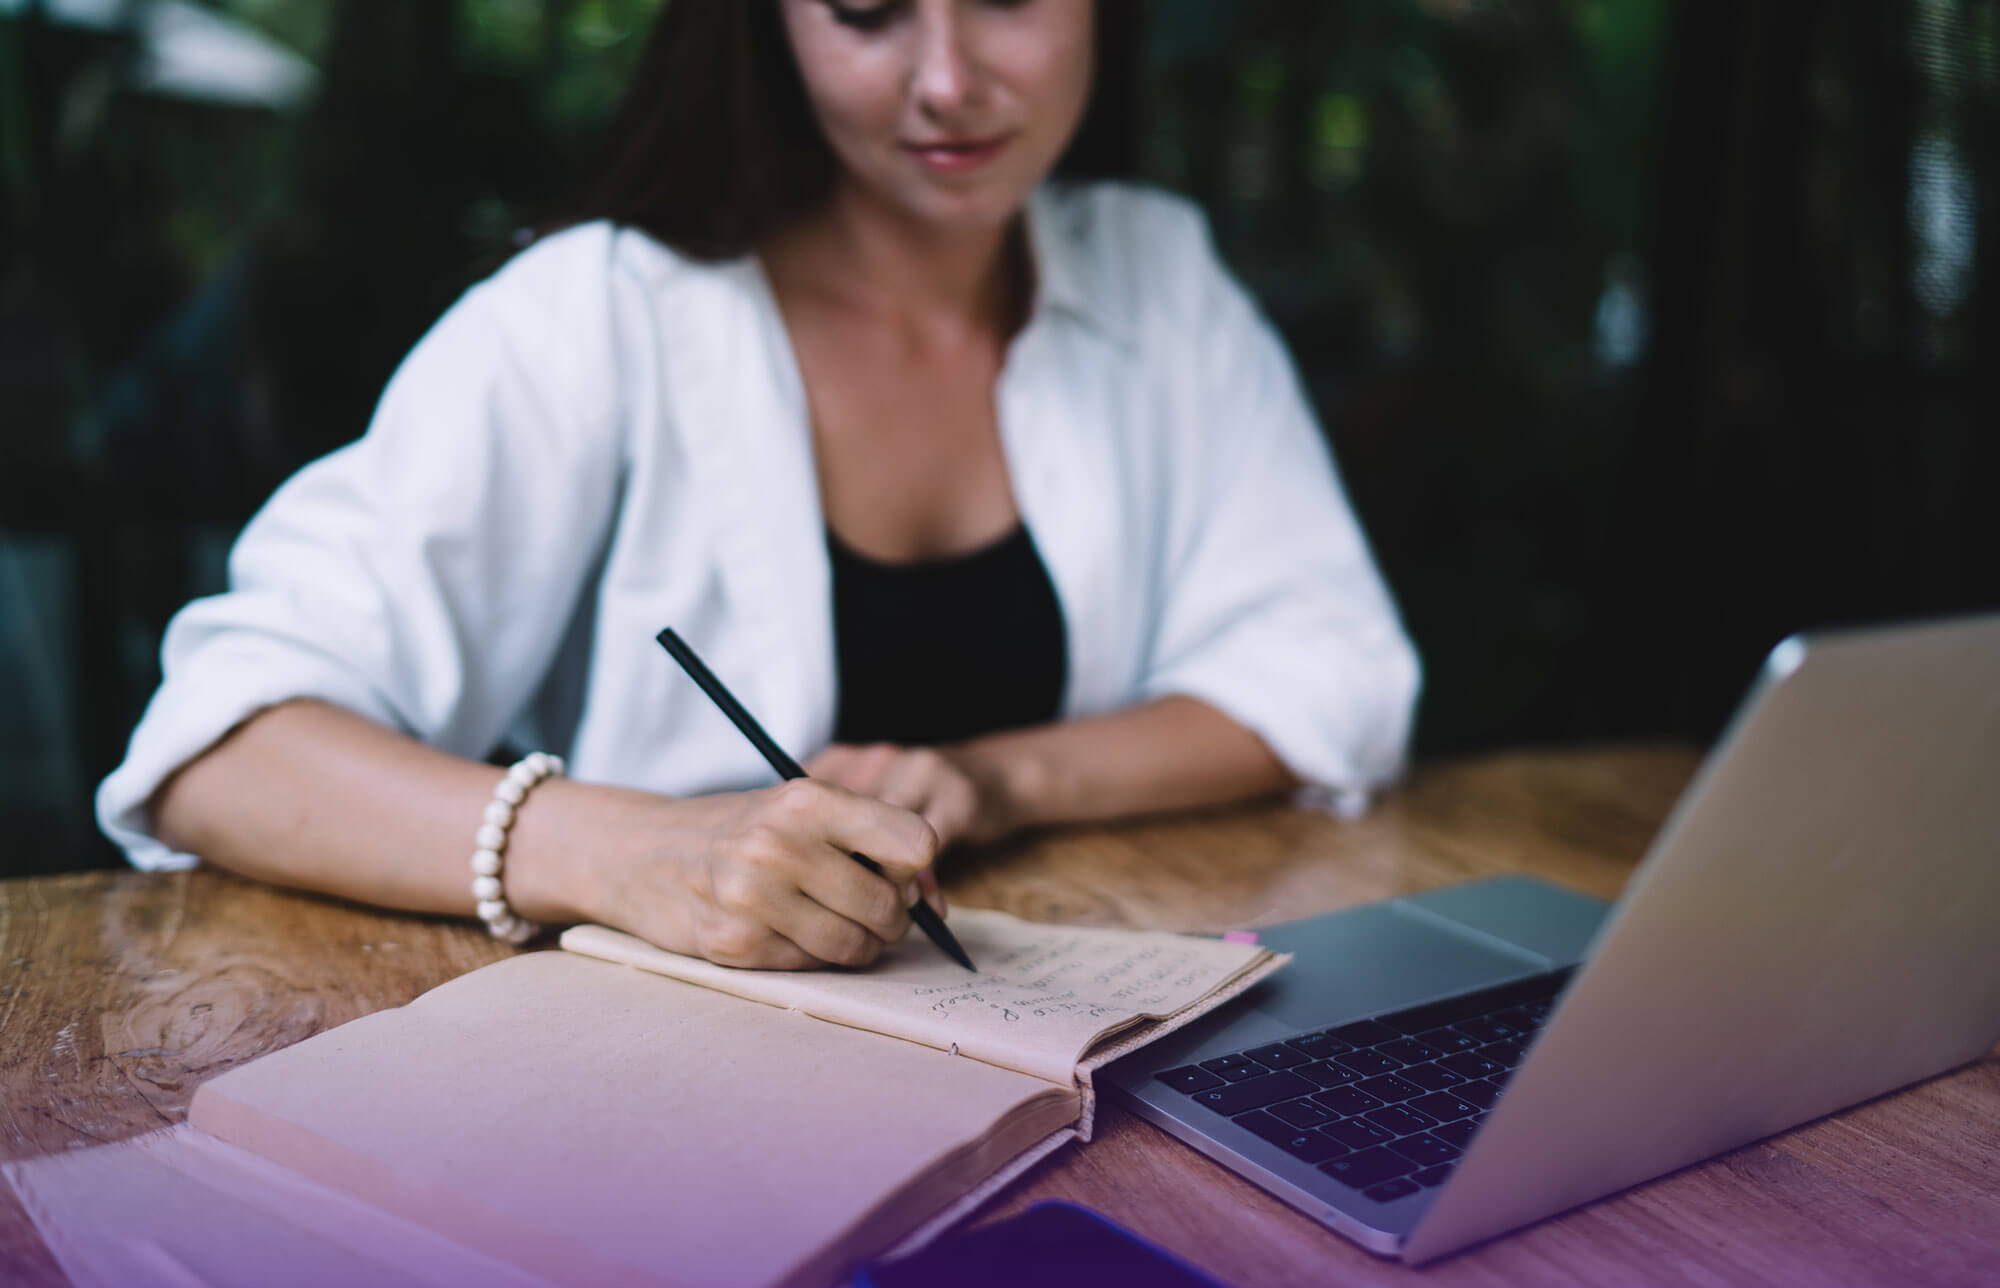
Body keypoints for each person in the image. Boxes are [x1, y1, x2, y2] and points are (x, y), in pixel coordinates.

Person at [97, 0, 1419, 971]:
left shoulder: (1158, 280)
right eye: (866, 11)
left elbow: (1334, 670)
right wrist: (627, 853)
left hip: (1068, 1058)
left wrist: (997, 778)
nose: (948, 79)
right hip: (669, 1107)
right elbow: (221, 742)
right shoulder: (599, 314)